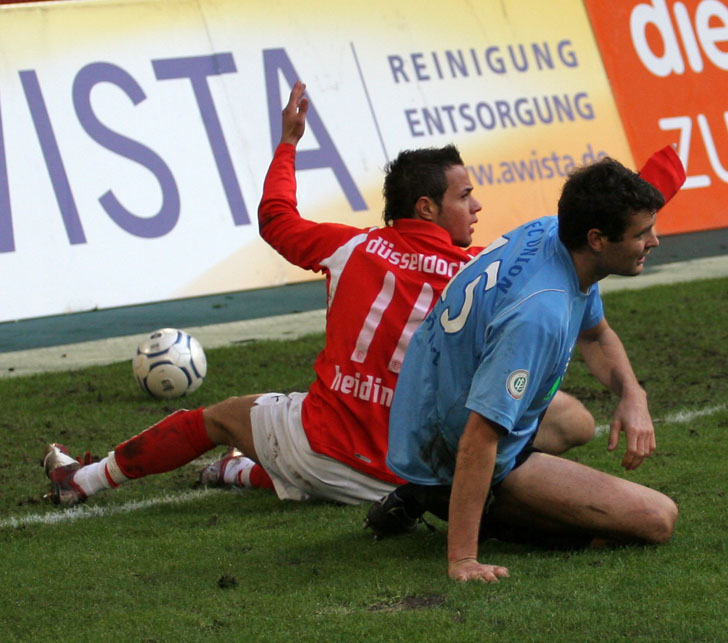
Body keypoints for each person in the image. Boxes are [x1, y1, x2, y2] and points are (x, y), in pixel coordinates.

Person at [41, 80, 486, 507]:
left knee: (220, 418)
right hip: (404, 476)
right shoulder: (482, 271)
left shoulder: (351, 247)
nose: (476, 206)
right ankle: (234, 471)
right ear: (426, 207)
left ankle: (81, 481)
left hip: (321, 449)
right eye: (465, 196)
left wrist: (288, 142)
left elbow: (275, 218)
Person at [364, 146, 686, 583]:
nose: (654, 241)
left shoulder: (555, 232)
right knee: (656, 518)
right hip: (451, 445)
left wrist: (633, 394)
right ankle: (450, 499)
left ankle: (423, 491)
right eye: (642, 233)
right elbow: (479, 436)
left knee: (576, 423)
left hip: (431, 407)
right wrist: (463, 559)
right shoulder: (540, 314)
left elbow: (596, 335)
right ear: (597, 240)